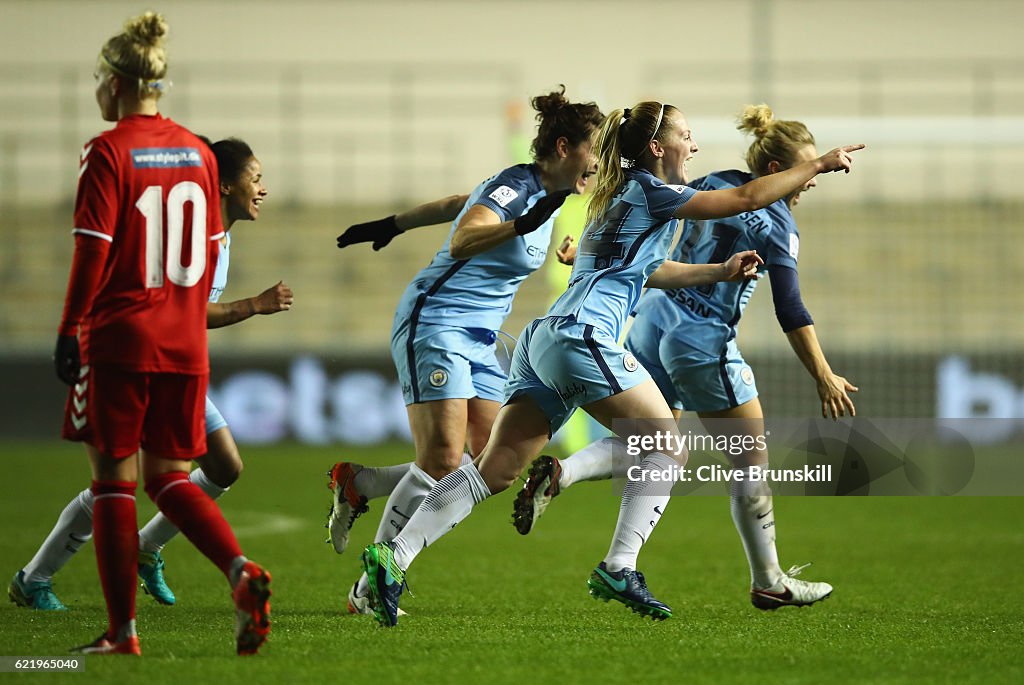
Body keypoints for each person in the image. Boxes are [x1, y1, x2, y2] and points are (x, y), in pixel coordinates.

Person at [360, 100, 863, 627]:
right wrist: (819, 163)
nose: (693, 146)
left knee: (495, 470)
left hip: (545, 340)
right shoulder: (654, 190)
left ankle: (393, 557)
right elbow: (745, 195)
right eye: (686, 136)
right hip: (585, 338)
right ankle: (620, 565)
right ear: (656, 147)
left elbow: (647, 270)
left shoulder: (620, 194)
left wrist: (718, 270)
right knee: (668, 445)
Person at [512, 104, 855, 610]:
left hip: (650, 323)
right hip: (701, 343)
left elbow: (641, 250)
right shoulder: (773, 221)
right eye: (802, 173)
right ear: (779, 171)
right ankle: (768, 578)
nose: (692, 147)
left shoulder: (701, 181)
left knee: (649, 442)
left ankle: (566, 473)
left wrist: (590, 259)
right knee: (746, 463)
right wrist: (823, 373)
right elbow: (790, 304)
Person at [44, 13, 271, 655]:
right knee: (171, 477)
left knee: (114, 484)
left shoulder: (109, 150)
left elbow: (92, 249)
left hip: (121, 338)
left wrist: (70, 328)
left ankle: (121, 634)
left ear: (115, 83)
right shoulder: (199, 155)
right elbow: (201, 254)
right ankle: (241, 571)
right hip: (184, 342)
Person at [329, 87, 604, 616]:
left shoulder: (544, 196)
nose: (598, 164)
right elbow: (464, 236)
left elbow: (460, 202)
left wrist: (394, 224)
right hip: (436, 322)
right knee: (440, 459)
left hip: (478, 337)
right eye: (594, 150)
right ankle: (371, 588)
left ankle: (359, 484)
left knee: (484, 461)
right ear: (566, 146)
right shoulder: (519, 188)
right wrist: (522, 223)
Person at [10, 137, 292, 611]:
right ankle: (35, 577)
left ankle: (146, 548)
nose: (262, 188)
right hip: (139, 361)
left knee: (224, 466)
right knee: (120, 480)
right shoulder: (194, 230)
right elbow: (185, 308)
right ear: (224, 184)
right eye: (255, 178)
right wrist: (253, 306)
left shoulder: (219, 233)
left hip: (174, 364)